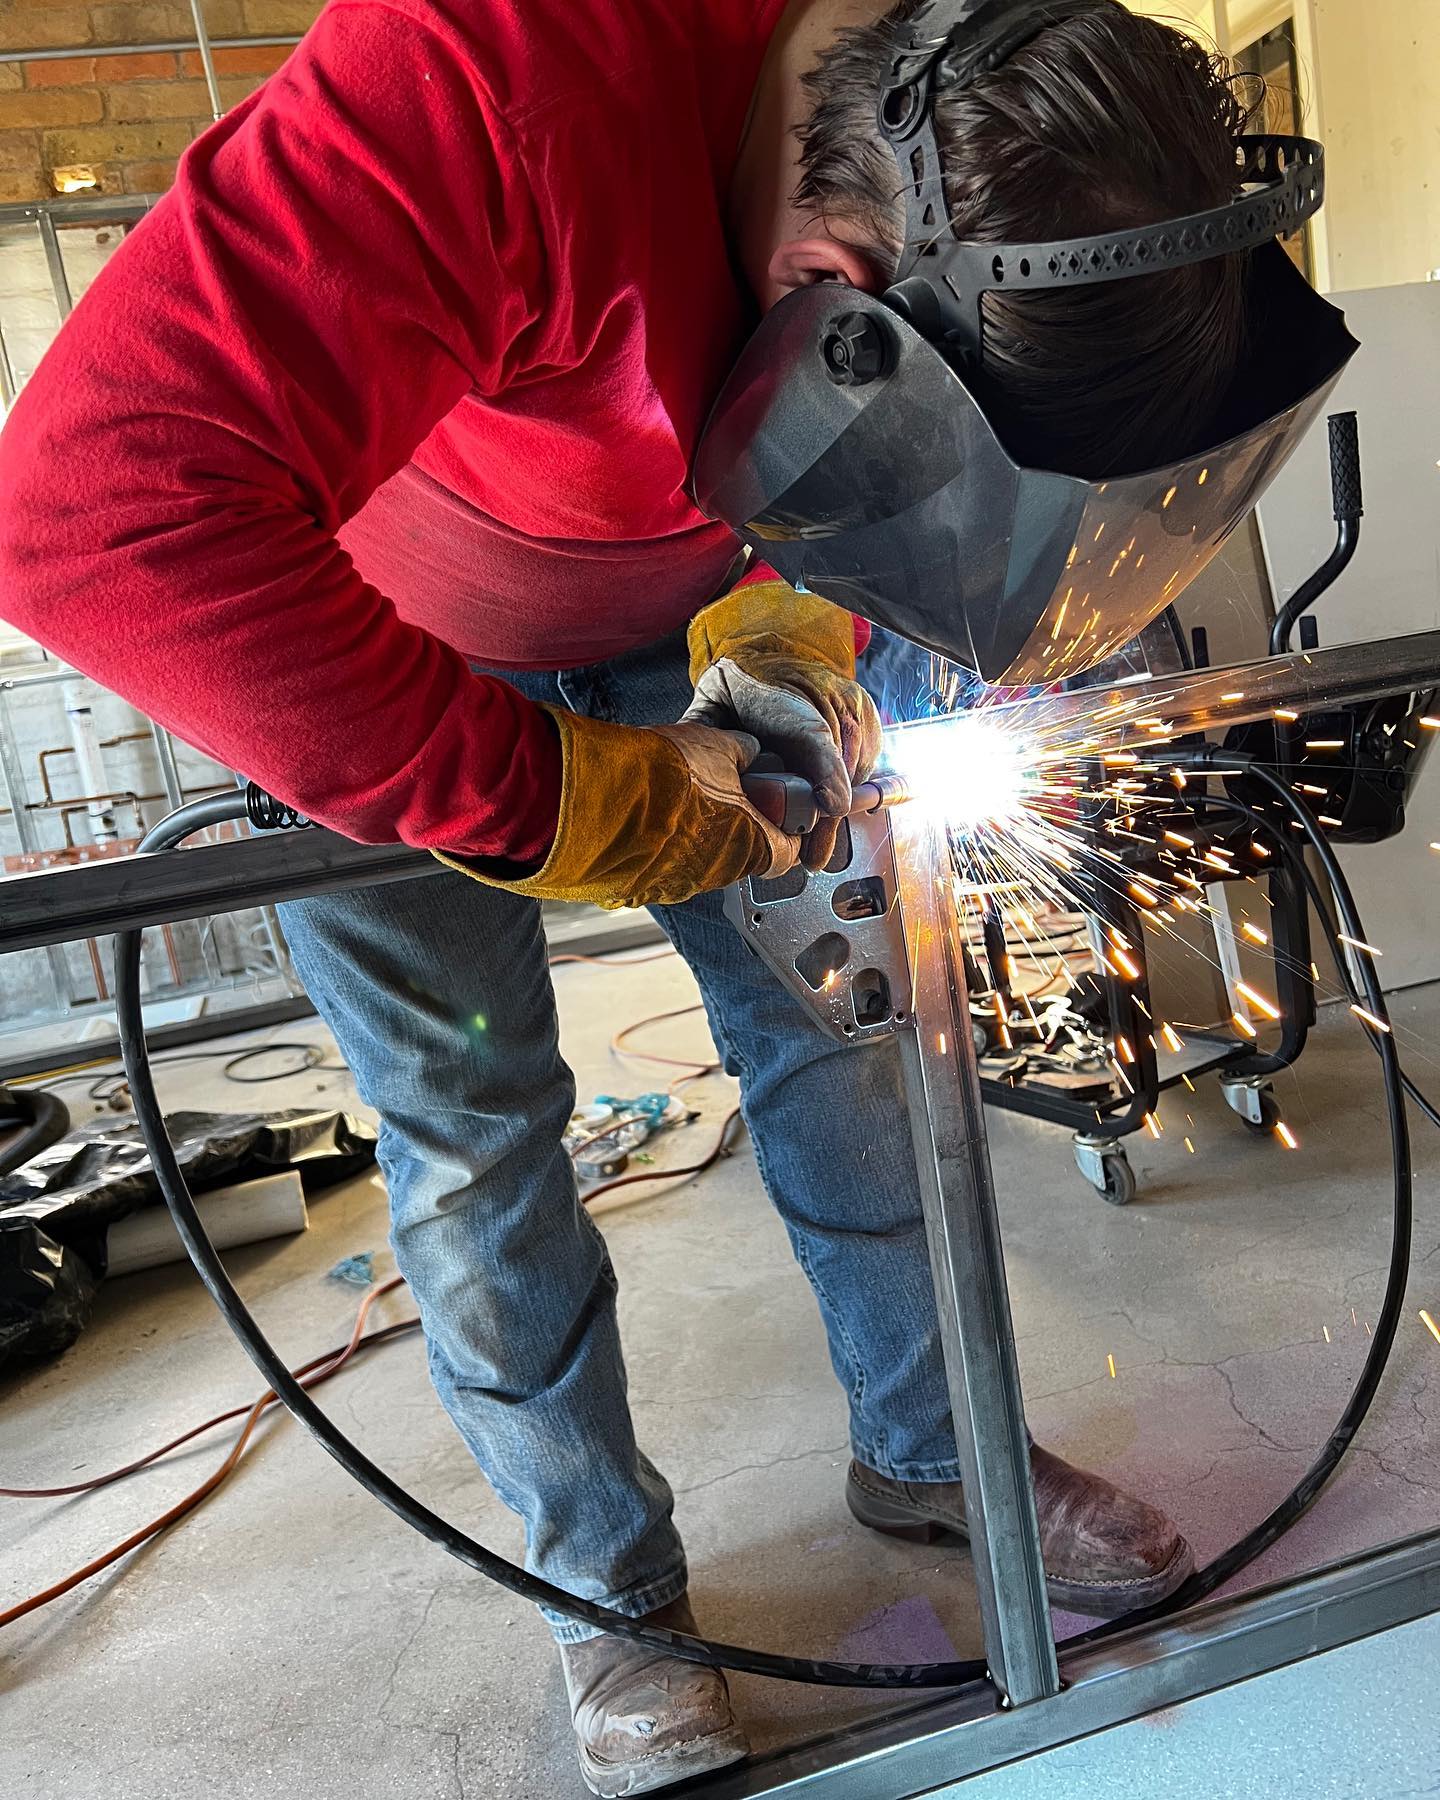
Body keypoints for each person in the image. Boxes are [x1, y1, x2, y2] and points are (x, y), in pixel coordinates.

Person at [0, 2, 1250, 1790]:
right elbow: (92, 513)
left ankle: (937, 1449)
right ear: (827, 286)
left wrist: (800, 597)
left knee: (855, 1035)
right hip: (369, 640)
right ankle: (609, 1589)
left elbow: (914, 451)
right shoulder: (486, 73)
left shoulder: (987, 72)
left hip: (691, 614)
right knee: (472, 1128)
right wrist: (543, 796)